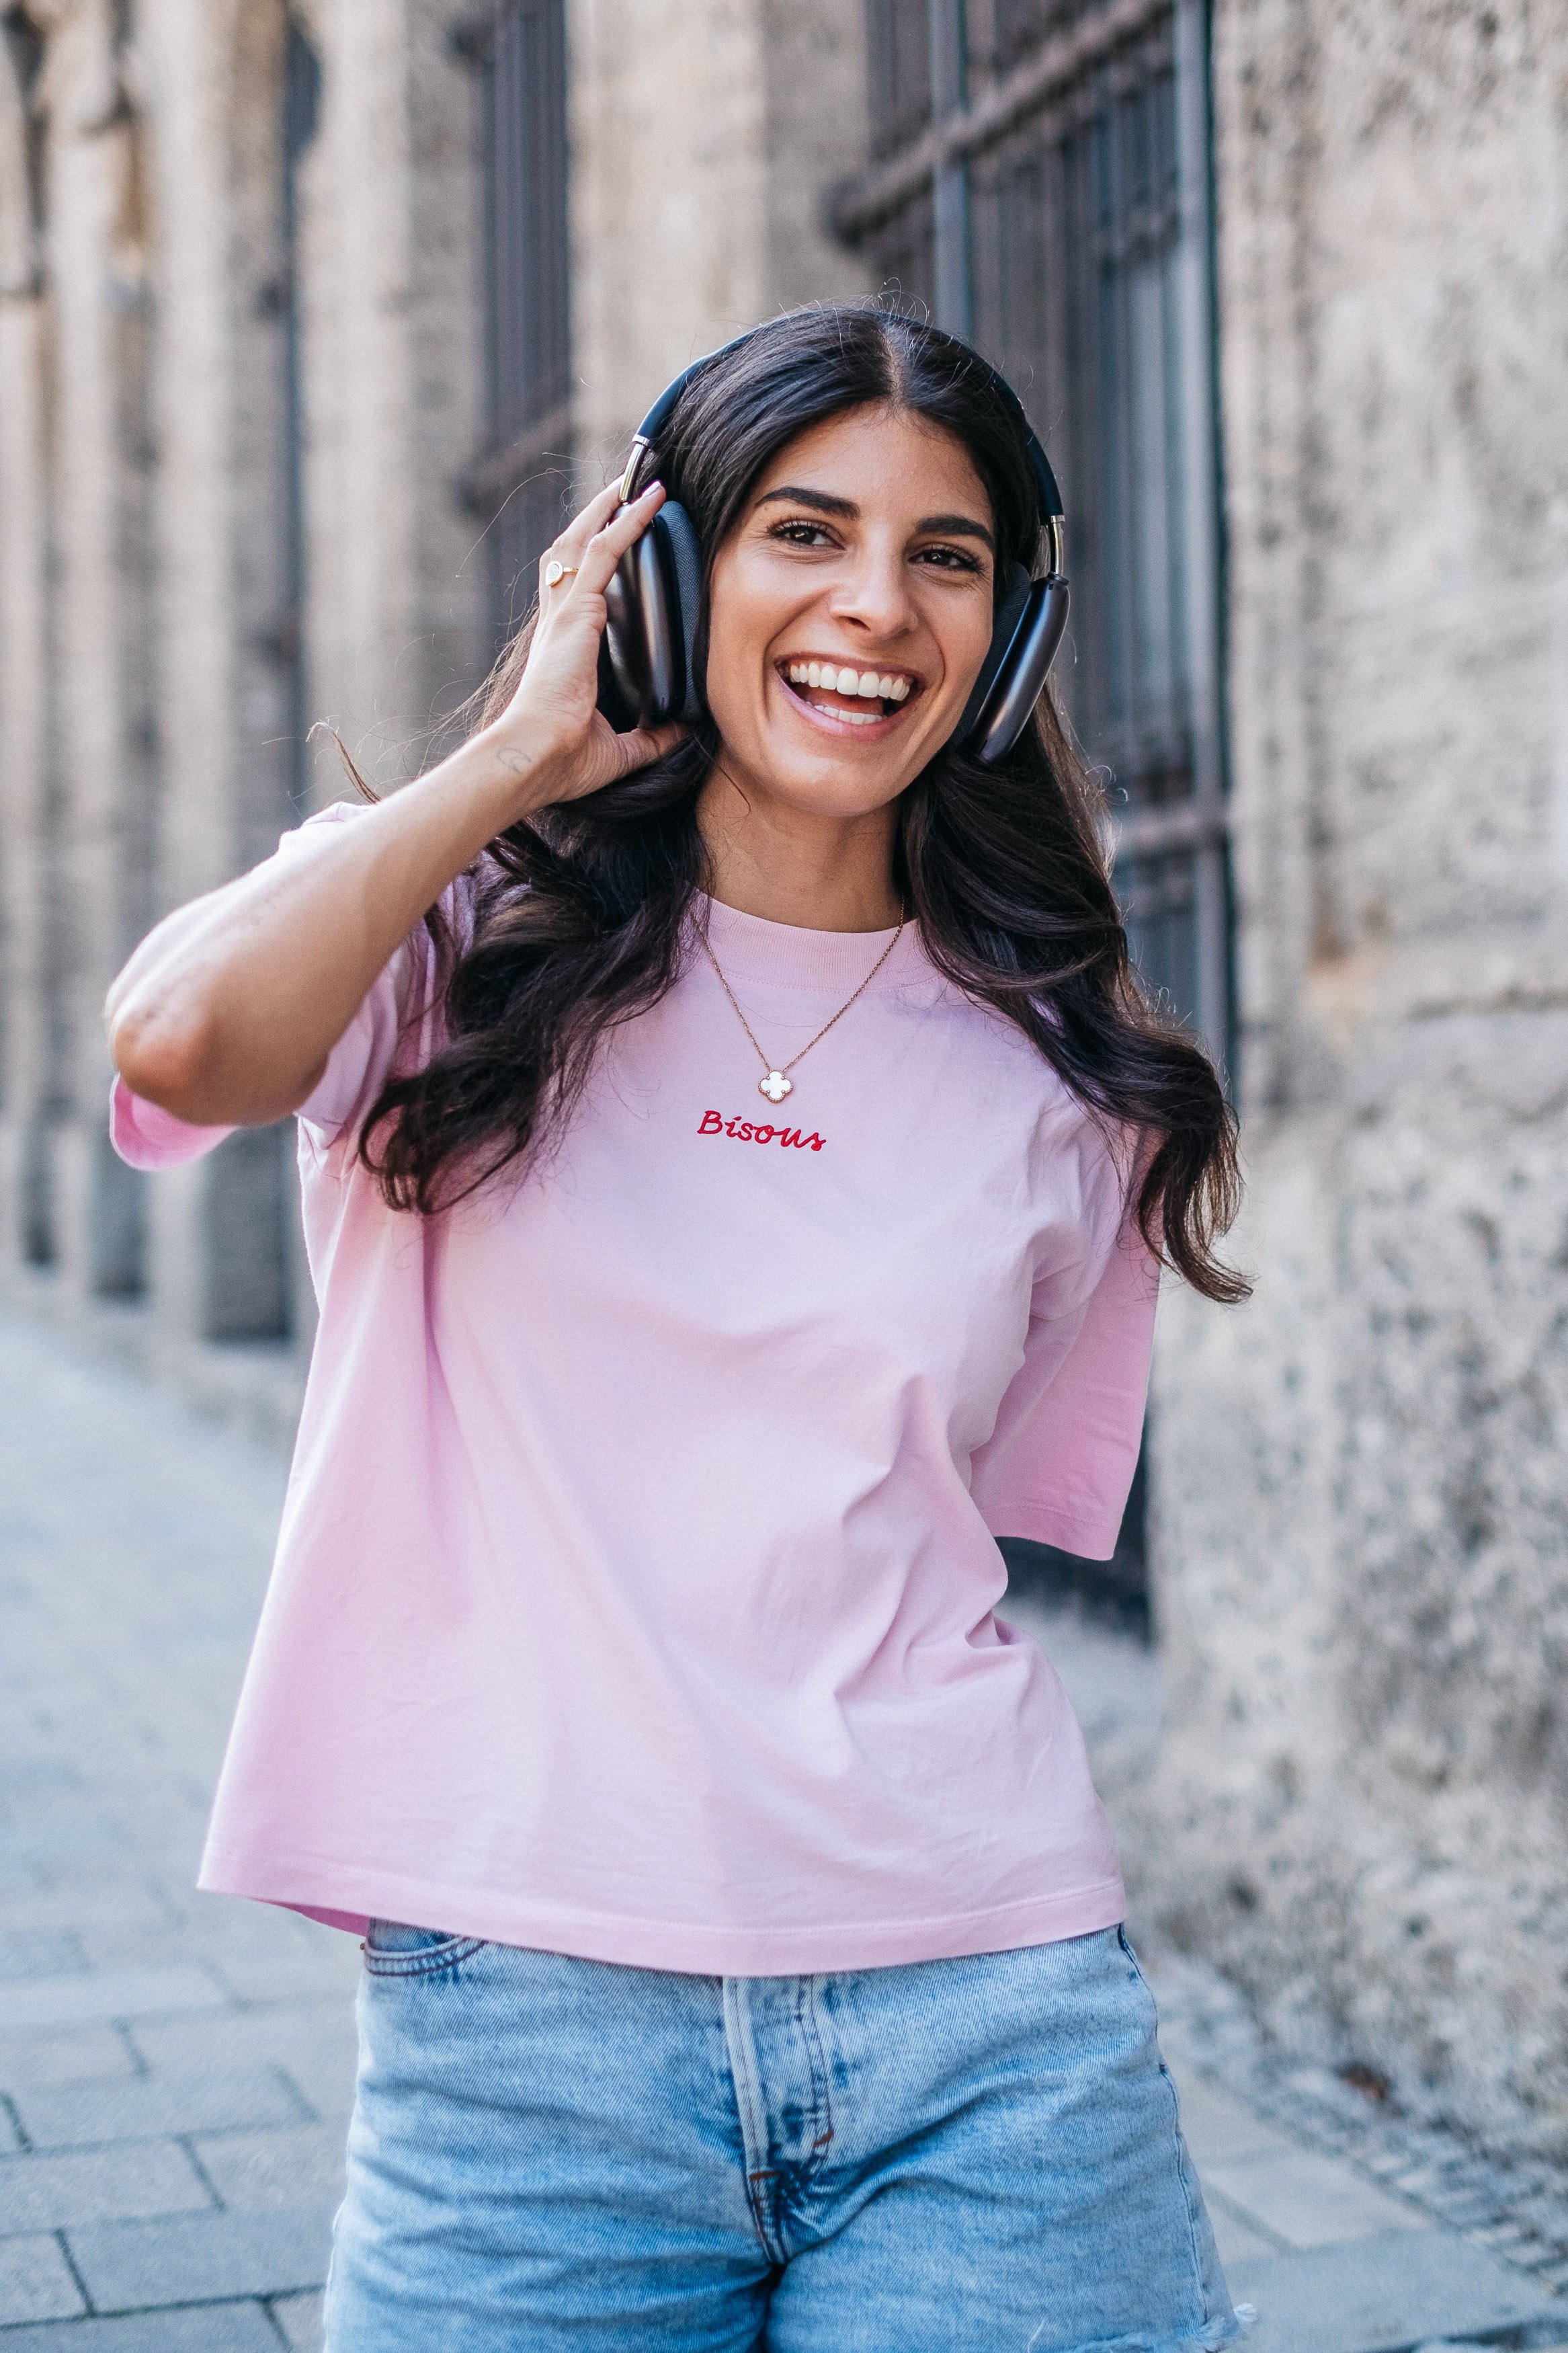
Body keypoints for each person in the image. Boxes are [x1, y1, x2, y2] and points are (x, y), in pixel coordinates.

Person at [106, 306, 1247, 2352]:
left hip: (991, 2016)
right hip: (526, 2044)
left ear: (1014, 626)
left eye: (949, 555)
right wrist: (521, 752)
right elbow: (181, 1043)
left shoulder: (1066, 1077)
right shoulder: (441, 938)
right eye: (804, 531)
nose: (876, 607)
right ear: (662, 567)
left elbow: (916, 1535)